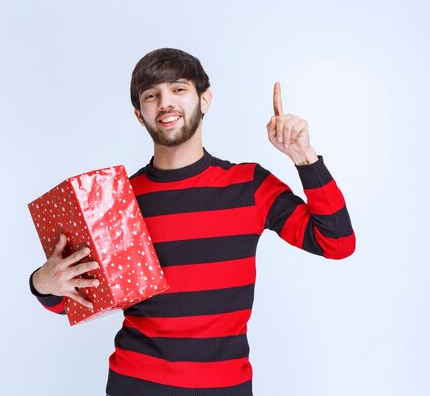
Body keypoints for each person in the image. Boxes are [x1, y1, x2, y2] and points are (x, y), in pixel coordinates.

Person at [29, 48, 356, 396]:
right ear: (140, 115)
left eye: (178, 89)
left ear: (205, 99)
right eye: (152, 95)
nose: (165, 102)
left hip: (226, 388)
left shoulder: (250, 185)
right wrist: (41, 283)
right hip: (136, 386)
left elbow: (336, 243)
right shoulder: (119, 202)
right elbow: (76, 302)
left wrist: (305, 158)